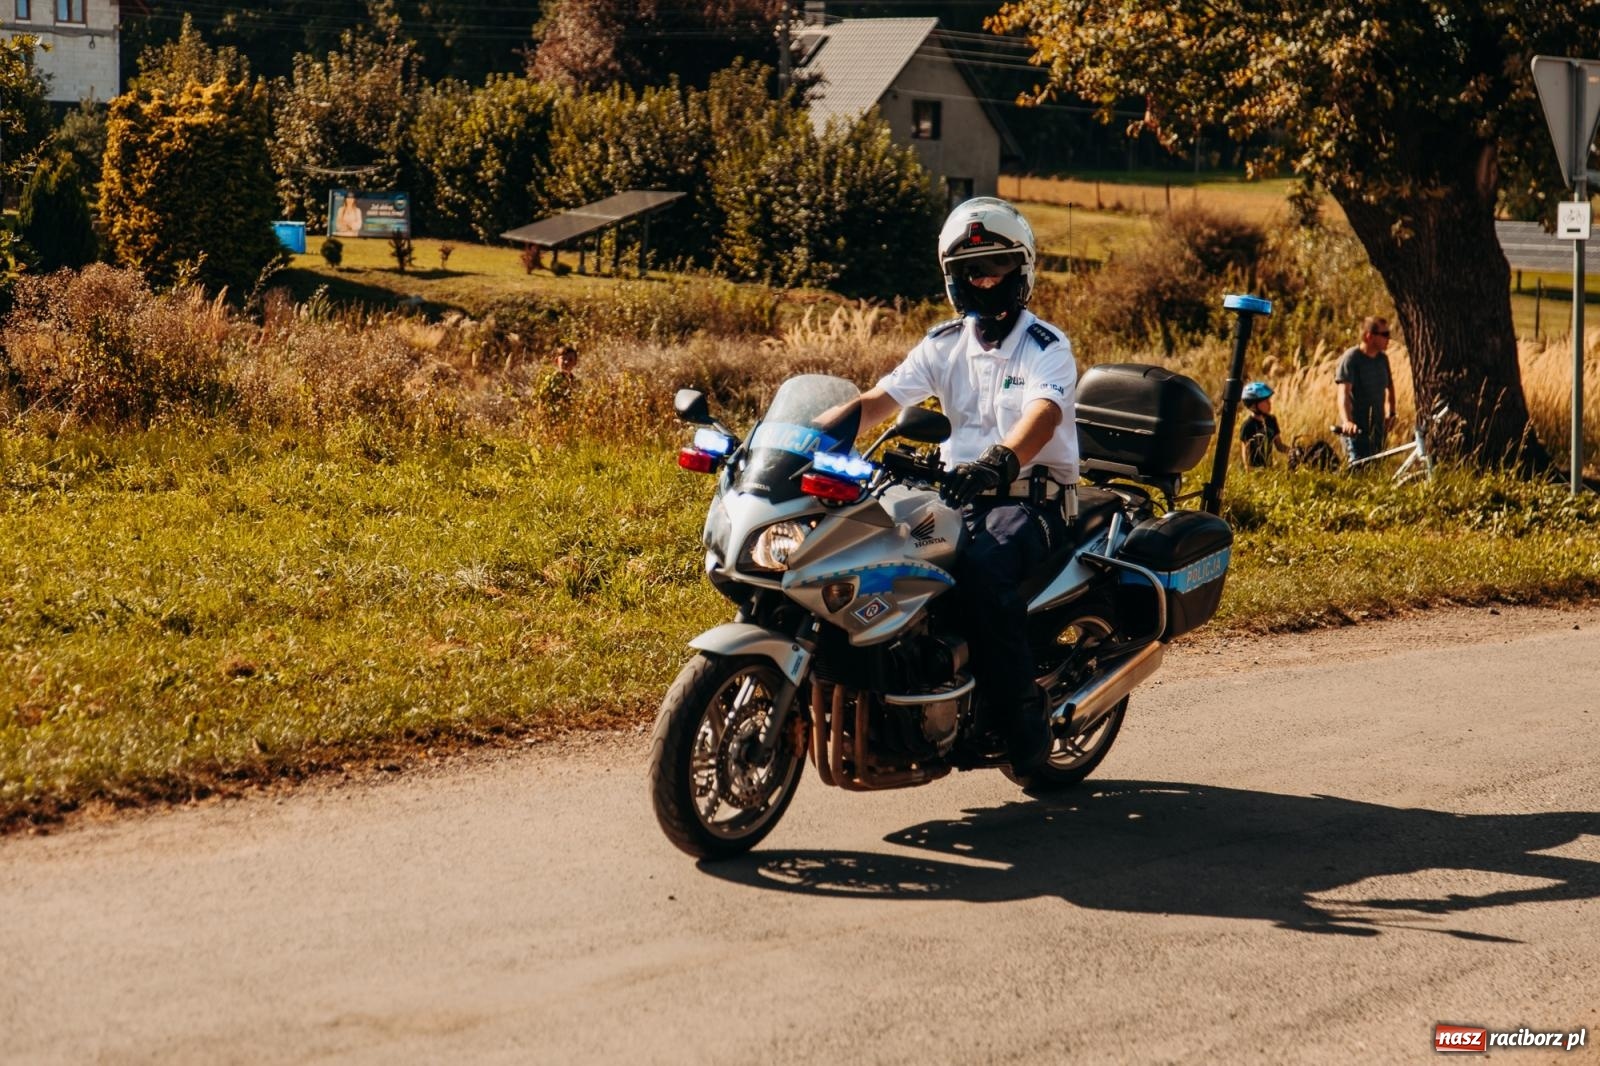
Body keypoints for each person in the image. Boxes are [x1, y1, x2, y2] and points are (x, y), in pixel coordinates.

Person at [835, 197, 1077, 777]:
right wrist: (801, 435)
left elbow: (1042, 415)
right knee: (872, 550)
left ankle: (1021, 719)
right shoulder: (944, 343)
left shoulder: (1047, 345)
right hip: (953, 496)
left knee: (982, 570)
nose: (983, 279)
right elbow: (878, 402)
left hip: (1029, 499)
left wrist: (1001, 461)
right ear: (954, 278)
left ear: (1021, 271)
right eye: (972, 270)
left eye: (994, 267)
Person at [1336, 316, 1397, 464]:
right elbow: (1343, 393)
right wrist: (1347, 422)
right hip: (1357, 432)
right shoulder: (1351, 358)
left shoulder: (1383, 359)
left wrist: (1392, 413)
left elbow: (1390, 387)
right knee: (1357, 473)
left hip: (1378, 431)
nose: (1388, 339)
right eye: (1384, 335)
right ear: (1369, 336)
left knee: (1377, 473)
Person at [1238, 381, 1288, 468]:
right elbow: (1246, 457)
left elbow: (1279, 446)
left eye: (1269, 400)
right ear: (1253, 405)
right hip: (1255, 473)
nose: (1269, 403)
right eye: (1265, 401)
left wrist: (1294, 451)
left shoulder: (1271, 420)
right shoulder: (1247, 426)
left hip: (1269, 470)